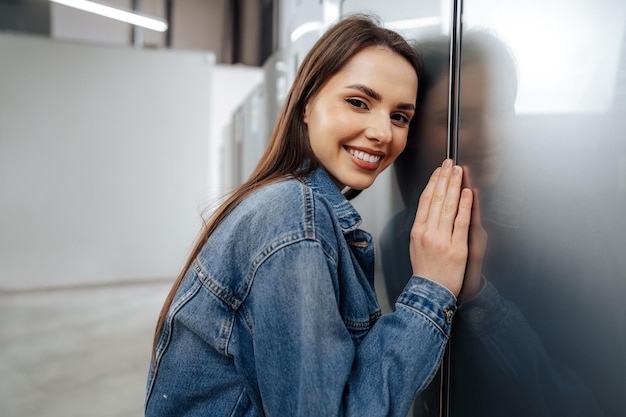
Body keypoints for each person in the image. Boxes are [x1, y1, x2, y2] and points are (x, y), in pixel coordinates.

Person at [145, 15, 476, 417]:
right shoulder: (291, 218)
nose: (382, 133)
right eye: (358, 102)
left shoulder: (293, 207)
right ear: (306, 105)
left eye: (399, 116)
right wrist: (432, 287)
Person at [382, 31, 625, 417]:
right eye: (459, 120)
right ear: (410, 132)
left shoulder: (570, 229)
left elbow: (592, 402)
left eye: (500, 110)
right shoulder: (401, 237)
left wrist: (477, 295)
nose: (490, 136)